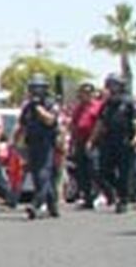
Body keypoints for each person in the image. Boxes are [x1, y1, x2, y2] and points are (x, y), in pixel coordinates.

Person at [12, 73, 60, 219]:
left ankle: (36, 204)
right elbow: (22, 125)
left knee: (43, 174)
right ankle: (52, 205)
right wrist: (14, 142)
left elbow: (50, 120)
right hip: (32, 143)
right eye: (33, 88)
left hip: (47, 143)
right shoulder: (28, 107)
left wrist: (39, 108)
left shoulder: (51, 104)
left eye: (39, 88)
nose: (35, 91)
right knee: (37, 175)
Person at [91, 73, 136, 214]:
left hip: (124, 141)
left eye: (115, 84)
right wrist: (91, 140)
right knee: (103, 172)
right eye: (110, 84)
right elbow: (100, 123)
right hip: (108, 141)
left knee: (124, 172)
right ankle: (118, 192)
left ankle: (123, 200)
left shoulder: (129, 102)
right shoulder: (106, 104)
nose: (112, 87)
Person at [68, 82, 103, 208]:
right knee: (81, 171)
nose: (85, 95)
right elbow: (73, 126)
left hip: (95, 141)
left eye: (88, 92)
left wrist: (91, 141)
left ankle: (103, 193)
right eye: (83, 92)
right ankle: (88, 198)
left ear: (93, 93)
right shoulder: (78, 108)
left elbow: (100, 124)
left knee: (94, 169)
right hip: (80, 141)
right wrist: (71, 143)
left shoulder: (98, 106)